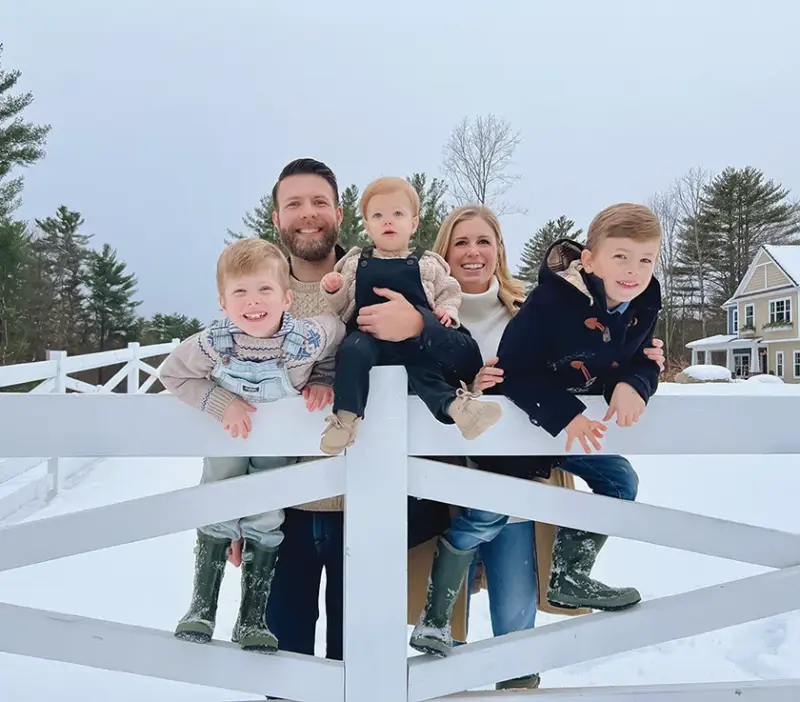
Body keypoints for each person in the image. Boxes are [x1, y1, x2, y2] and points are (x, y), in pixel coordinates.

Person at [407, 205, 665, 689]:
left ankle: (521, 677)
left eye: (484, 241)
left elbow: (614, 358)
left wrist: (639, 376)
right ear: (443, 251)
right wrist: (468, 386)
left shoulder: (529, 304)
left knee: (517, 612)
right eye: (461, 242)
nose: (474, 252)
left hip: (528, 461)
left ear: (499, 250)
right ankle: (438, 667)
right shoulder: (425, 316)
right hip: (445, 471)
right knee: (449, 622)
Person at [253, 158, 483, 664]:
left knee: (358, 664)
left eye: (318, 203)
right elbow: (233, 383)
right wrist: (229, 504)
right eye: (293, 204)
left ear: (339, 213)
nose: (307, 214)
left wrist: (422, 325)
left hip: (372, 507)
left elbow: (466, 360)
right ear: (276, 217)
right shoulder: (256, 291)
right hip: (281, 510)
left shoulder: (382, 275)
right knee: (279, 663)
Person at [159, 238, 345, 652]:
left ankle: (252, 619)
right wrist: (221, 402)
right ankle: (201, 609)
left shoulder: (306, 339)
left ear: (287, 298)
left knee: (266, 518)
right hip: (229, 442)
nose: (253, 302)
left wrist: (322, 380)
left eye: (264, 290)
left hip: (276, 448)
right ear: (223, 303)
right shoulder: (214, 343)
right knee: (217, 509)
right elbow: (172, 373)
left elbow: (337, 337)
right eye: (240, 292)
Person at [497, 202, 662, 614]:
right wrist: (565, 413)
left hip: (578, 428)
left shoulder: (643, 304)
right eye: (620, 256)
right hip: (531, 422)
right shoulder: (550, 304)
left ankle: (569, 575)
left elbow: (644, 357)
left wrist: (633, 383)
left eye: (646, 260)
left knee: (621, 480)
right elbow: (513, 369)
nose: (634, 270)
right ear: (589, 260)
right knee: (486, 514)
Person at [318, 176, 502, 454]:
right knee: (351, 353)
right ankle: (345, 418)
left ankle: (459, 408)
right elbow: (344, 308)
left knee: (425, 372)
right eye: (378, 215)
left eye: (397, 214)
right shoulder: (356, 262)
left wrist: (446, 312)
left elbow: (449, 291)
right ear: (367, 224)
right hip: (367, 338)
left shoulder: (427, 263)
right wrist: (334, 291)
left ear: (413, 222)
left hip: (414, 345)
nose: (388, 221)